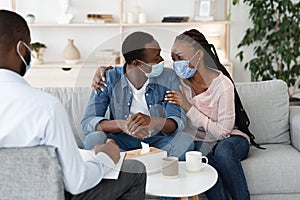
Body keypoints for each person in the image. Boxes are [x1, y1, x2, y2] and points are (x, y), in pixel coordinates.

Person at [92, 29, 262, 200]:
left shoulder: (222, 85)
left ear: (198, 56)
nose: (175, 63)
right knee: (203, 160)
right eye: (173, 58)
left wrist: (188, 106)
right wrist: (103, 70)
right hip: (200, 141)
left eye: (180, 58)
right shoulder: (176, 80)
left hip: (228, 139)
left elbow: (222, 133)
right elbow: (138, 69)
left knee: (223, 152)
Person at [0, 9, 146, 200]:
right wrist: (105, 157)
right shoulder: (45, 108)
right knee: (135, 170)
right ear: (22, 49)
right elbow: (77, 183)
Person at [81, 31, 194, 161]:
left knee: (184, 141)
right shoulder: (109, 78)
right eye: (156, 58)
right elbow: (88, 122)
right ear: (136, 64)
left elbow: (177, 122)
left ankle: (140, 166)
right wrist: (122, 125)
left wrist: (152, 121)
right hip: (121, 142)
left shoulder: (168, 77)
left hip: (158, 142)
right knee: (93, 139)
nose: (162, 61)